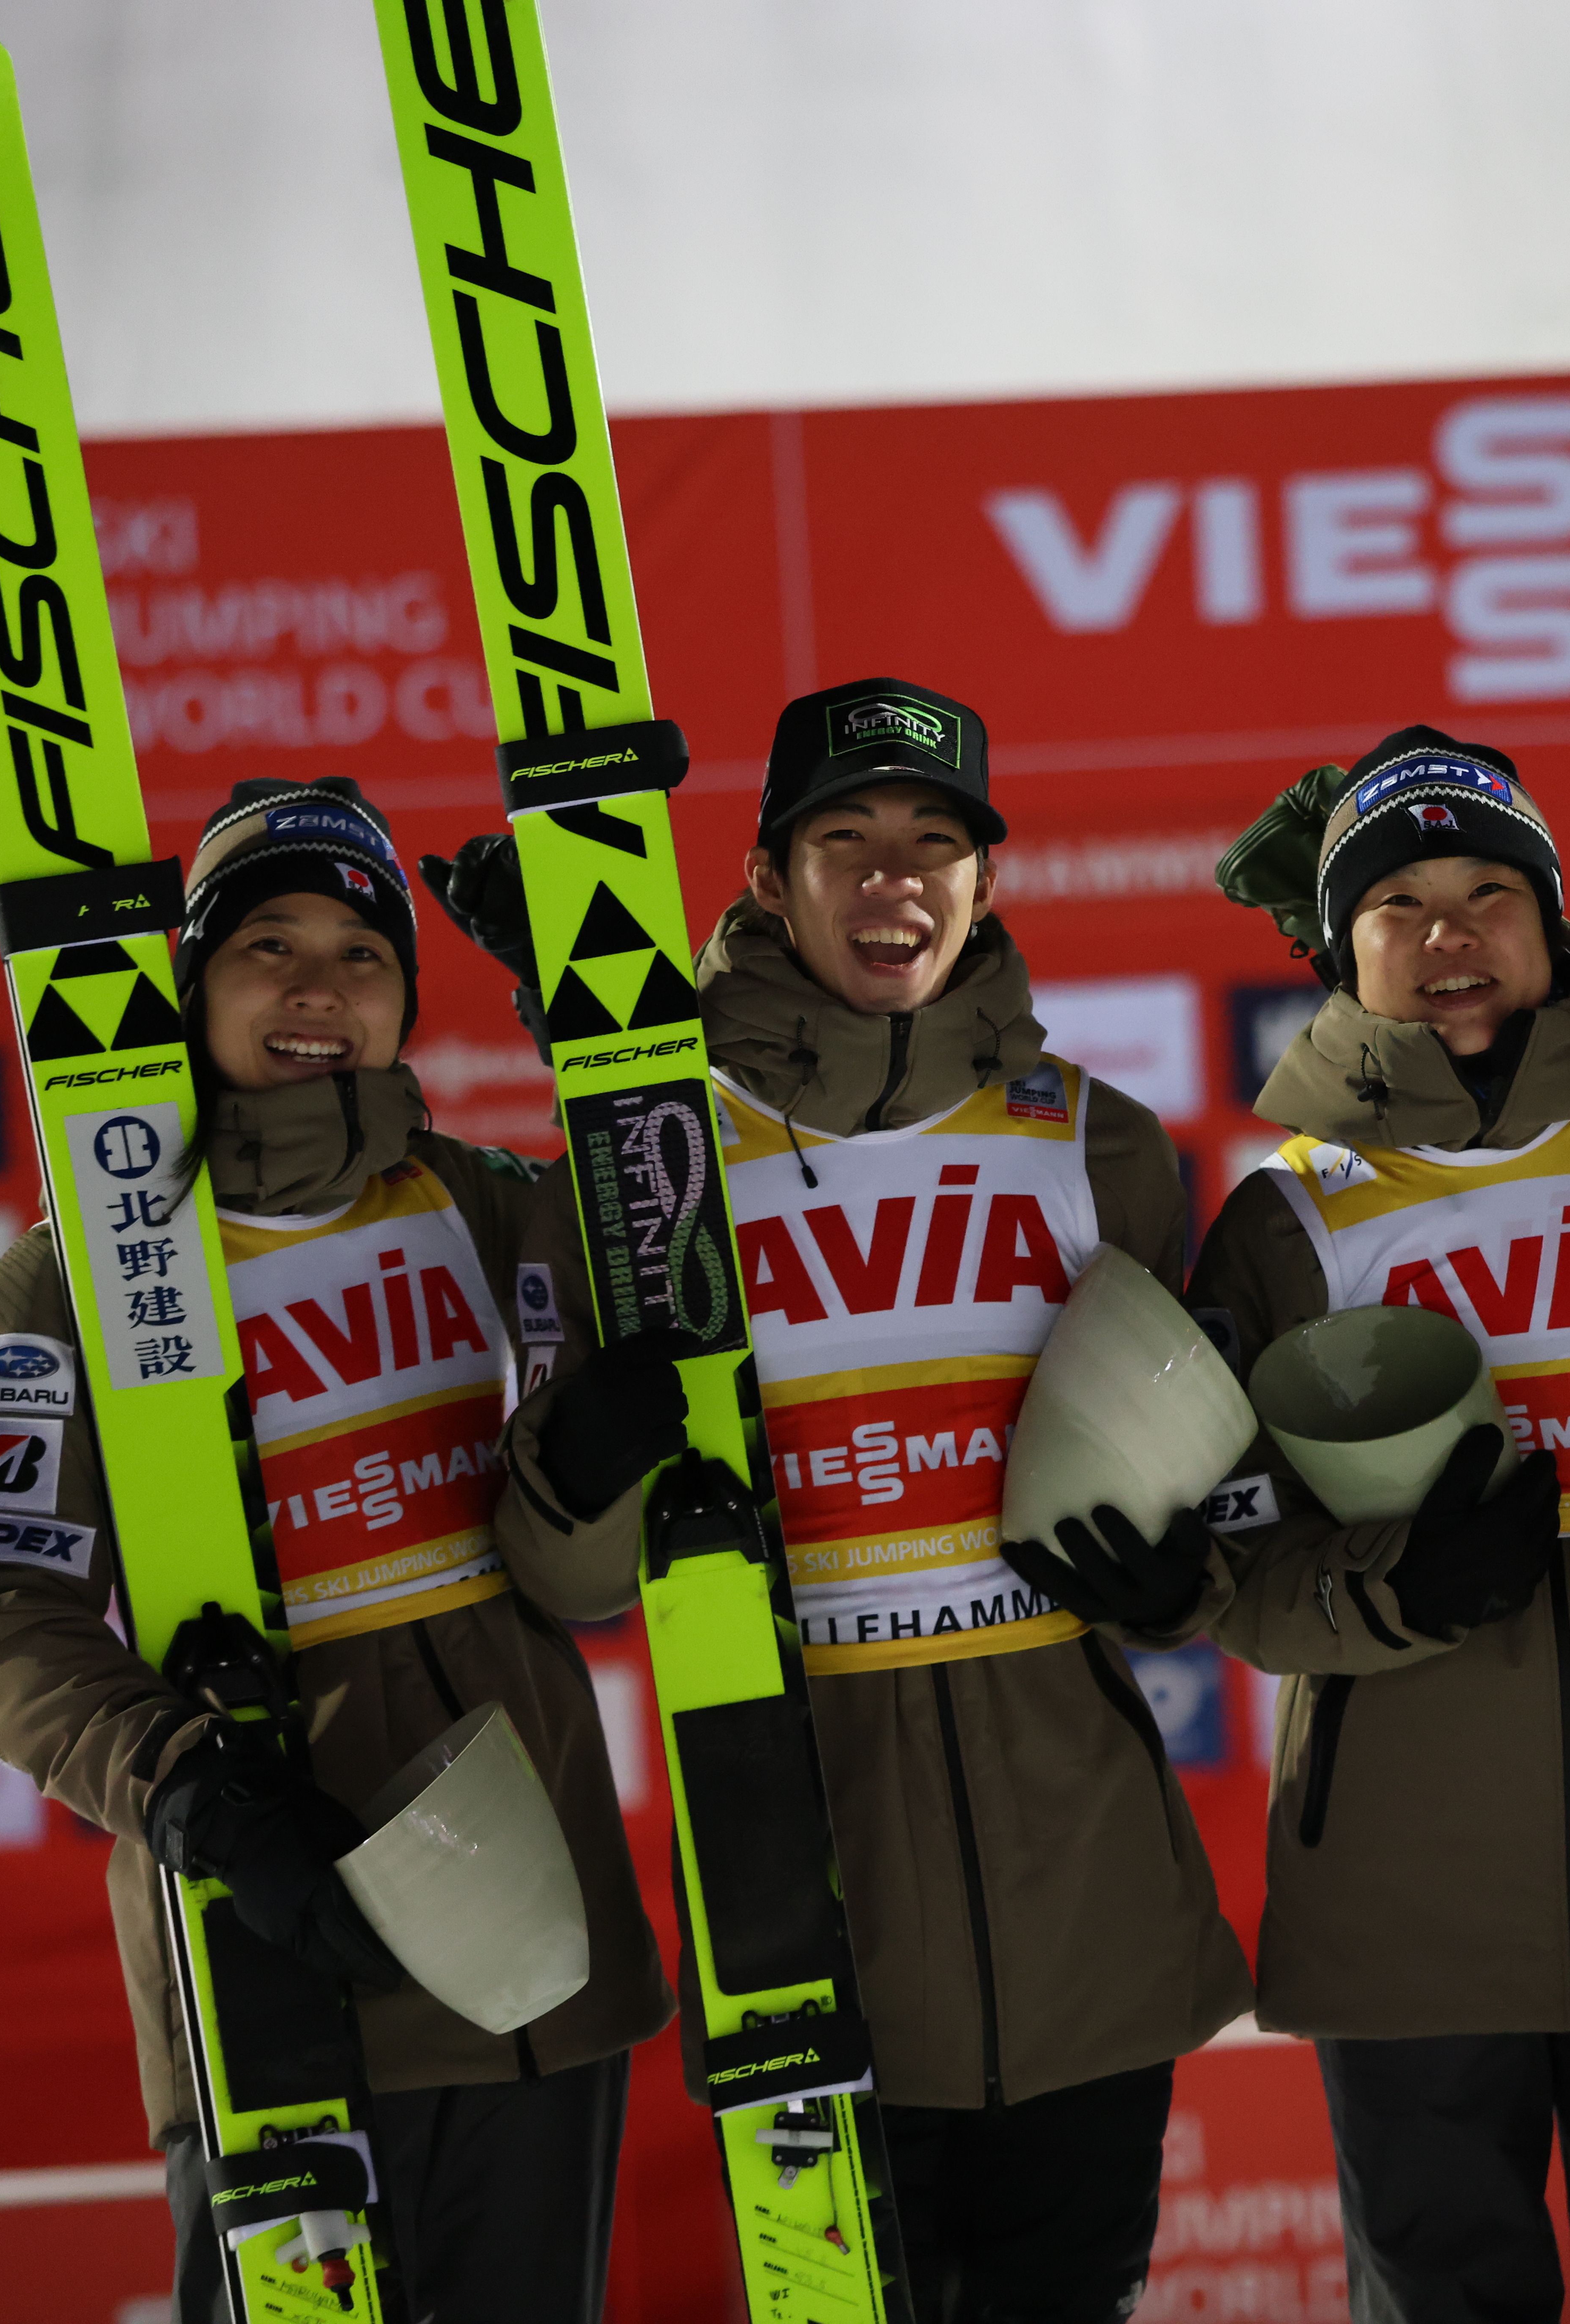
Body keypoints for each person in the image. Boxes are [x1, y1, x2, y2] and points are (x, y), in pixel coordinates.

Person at [433, 677, 1253, 2324]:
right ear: (764, 878)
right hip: (801, 1893)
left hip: (1082, 1900)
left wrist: (1191, 1587)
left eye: (935, 843)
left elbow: (1224, 1496)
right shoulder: (652, 1166)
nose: (895, 879)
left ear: (986, 882)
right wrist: (586, 1460)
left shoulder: (1103, 1149)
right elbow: (569, 1575)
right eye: (847, 841)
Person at [0, 777, 669, 2323]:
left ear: (403, 997)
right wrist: (191, 1792)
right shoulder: (65, 1289)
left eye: (361, 952)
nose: (319, 988)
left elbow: (692, 1286)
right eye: (268, 945)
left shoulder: (506, 1220)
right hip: (261, 1960)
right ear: (193, 988)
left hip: (529, 1952)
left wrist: (593, 1042)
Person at [1191, 728, 1570, 2324]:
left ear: (1557, 923)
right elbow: (1227, 1572)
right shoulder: (1289, 1216)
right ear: (1344, 955)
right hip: (1397, 1889)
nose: (1454, 934)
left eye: (1492, 890)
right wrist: (1395, 1594)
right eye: (1399, 904)